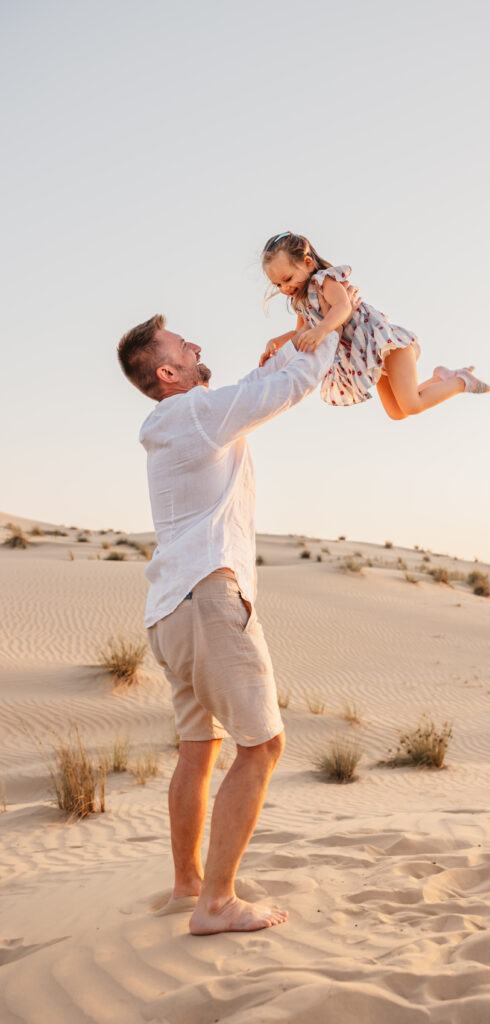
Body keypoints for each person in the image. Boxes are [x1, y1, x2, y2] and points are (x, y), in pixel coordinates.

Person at [116, 311, 350, 933]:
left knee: (199, 748)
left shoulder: (177, 420)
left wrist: (284, 348)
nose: (195, 345)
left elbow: (250, 388)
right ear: (169, 372)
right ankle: (216, 902)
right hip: (209, 603)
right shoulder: (193, 412)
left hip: (170, 612)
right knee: (264, 745)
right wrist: (333, 320)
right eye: (181, 346)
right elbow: (286, 389)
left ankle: (188, 884)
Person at [260, 230, 490, 419]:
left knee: (412, 405)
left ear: (308, 263)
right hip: (370, 358)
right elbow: (300, 332)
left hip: (385, 346)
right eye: (277, 284)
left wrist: (322, 329)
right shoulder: (302, 303)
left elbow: (343, 307)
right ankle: (441, 378)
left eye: (287, 279)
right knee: (397, 413)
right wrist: (276, 343)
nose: (284, 288)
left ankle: (461, 382)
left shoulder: (324, 281)